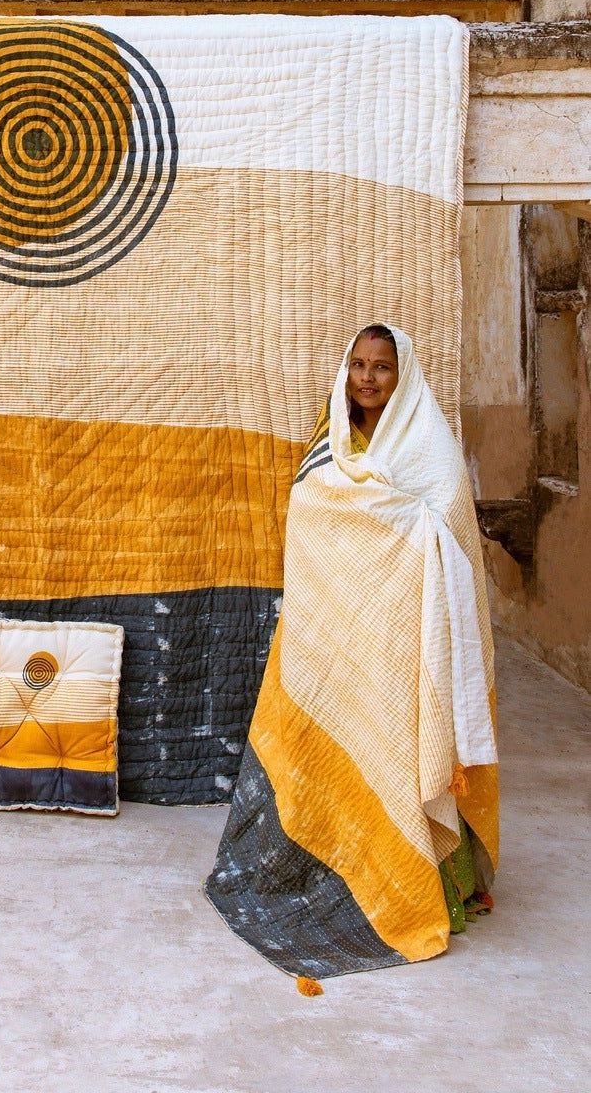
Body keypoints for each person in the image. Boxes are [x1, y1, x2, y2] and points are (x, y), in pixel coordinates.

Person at [205, 324, 499, 983]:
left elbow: (449, 535)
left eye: (382, 367)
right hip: (342, 637)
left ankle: (424, 887)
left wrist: (402, 529)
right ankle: (325, 869)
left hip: (407, 642)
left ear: (403, 375)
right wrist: (380, 526)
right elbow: (310, 516)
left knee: (402, 749)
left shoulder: (429, 446)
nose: (368, 378)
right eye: (359, 366)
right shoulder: (330, 440)